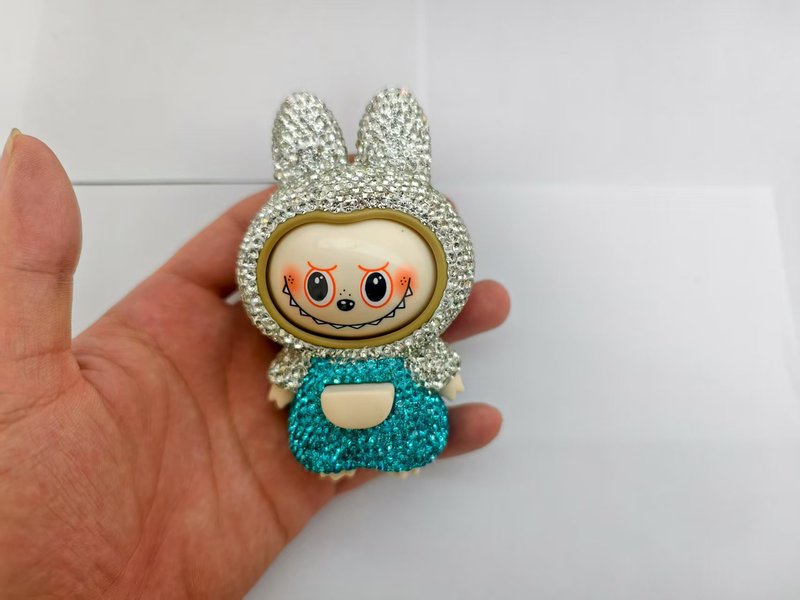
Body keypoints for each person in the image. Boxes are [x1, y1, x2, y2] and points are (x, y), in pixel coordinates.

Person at [0, 131, 510, 598]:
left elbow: (430, 358)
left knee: (411, 428)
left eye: (376, 285)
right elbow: (291, 365)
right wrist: (285, 385)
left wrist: (442, 373)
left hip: (399, 393)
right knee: (322, 439)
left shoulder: (412, 339)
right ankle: (338, 456)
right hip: (320, 396)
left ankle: (404, 453)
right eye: (318, 285)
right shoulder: (303, 345)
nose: (348, 302)